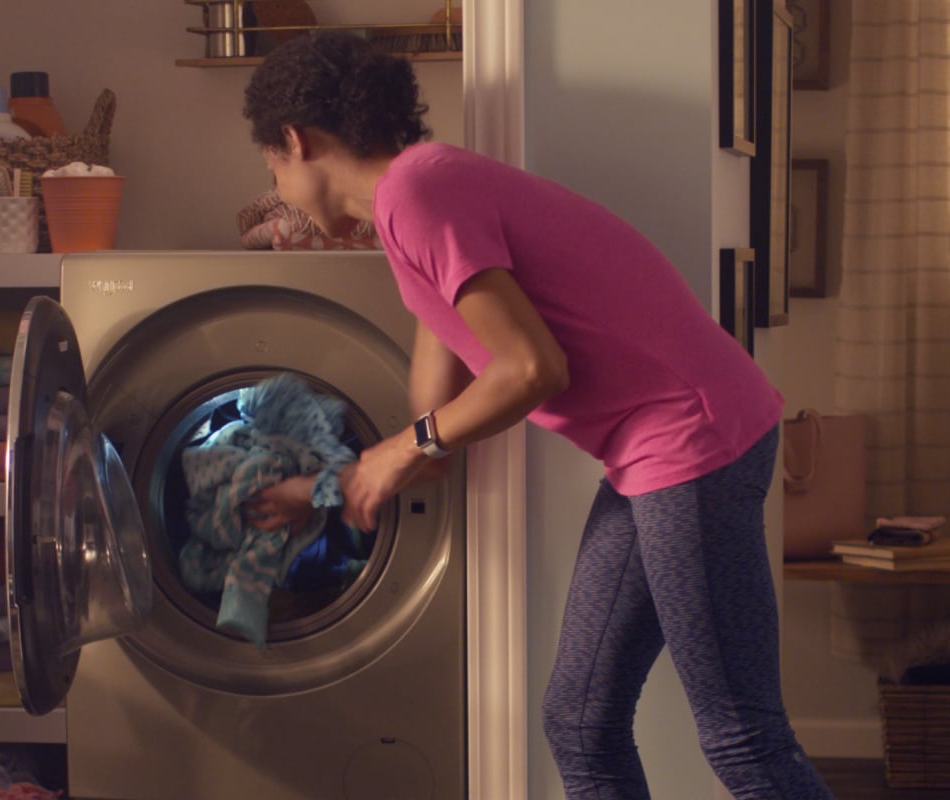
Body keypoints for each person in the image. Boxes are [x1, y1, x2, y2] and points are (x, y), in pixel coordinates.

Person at [239, 32, 836, 800]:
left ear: (294, 140)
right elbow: (435, 426)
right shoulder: (410, 212)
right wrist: (318, 489)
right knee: (581, 722)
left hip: (693, 438)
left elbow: (530, 371)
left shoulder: (421, 189)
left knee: (743, 737)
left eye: (272, 171)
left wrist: (400, 451)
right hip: (652, 453)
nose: (280, 193)